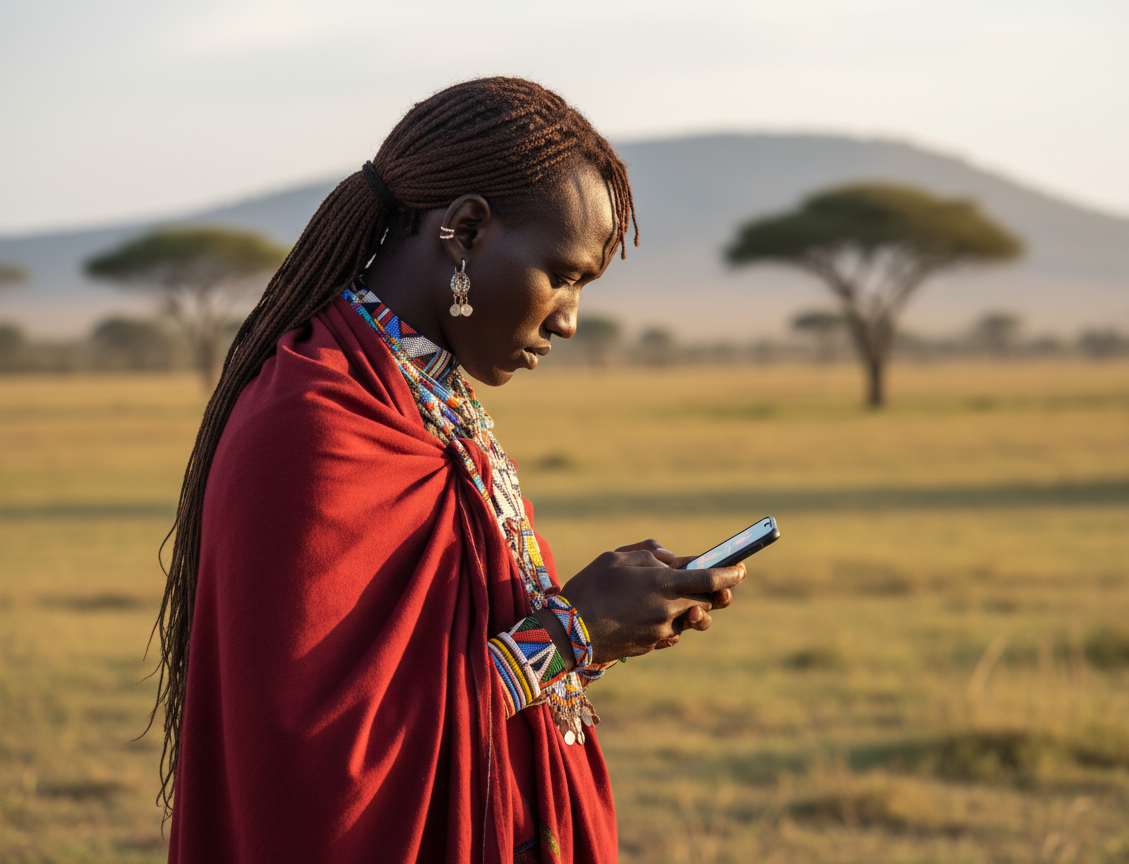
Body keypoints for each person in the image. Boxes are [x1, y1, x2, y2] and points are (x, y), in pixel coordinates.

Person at [153, 77, 746, 864]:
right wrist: (570, 633)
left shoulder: (415, 392)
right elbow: (322, 761)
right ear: (464, 229)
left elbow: (450, 657)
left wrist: (594, 626)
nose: (569, 321)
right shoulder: (311, 423)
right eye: (562, 275)